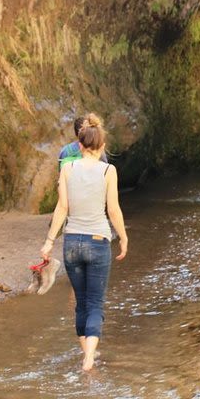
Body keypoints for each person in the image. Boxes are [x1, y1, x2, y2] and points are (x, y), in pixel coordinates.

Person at [41, 113, 129, 372]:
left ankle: (88, 352)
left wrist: (48, 242)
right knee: (95, 303)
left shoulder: (67, 168)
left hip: (72, 244)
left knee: (81, 302)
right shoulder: (108, 170)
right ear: (102, 147)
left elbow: (62, 208)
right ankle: (89, 358)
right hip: (99, 241)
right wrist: (123, 237)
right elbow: (113, 210)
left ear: (79, 146)